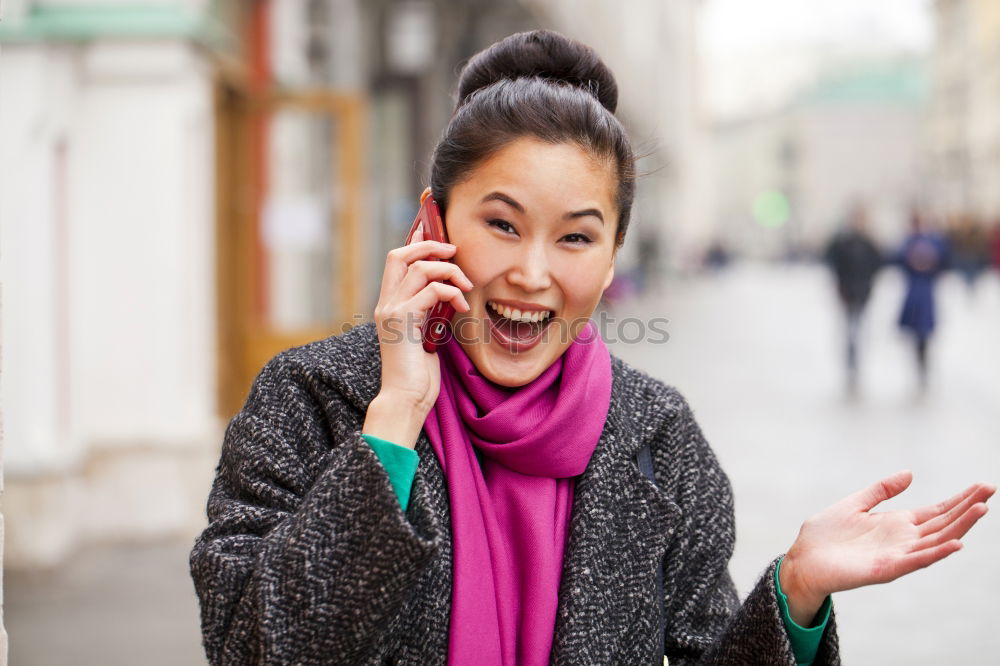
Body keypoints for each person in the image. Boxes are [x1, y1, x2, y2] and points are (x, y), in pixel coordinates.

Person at [189, 31, 994, 665]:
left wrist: (795, 592)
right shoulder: (312, 397)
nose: (533, 274)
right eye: (501, 224)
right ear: (432, 228)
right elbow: (263, 651)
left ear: (611, 261)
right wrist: (394, 417)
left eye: (576, 237)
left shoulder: (655, 433)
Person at [823, 204, 883, 393]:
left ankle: (856, 360)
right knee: (850, 329)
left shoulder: (868, 242)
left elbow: (877, 264)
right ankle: (851, 362)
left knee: (859, 328)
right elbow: (832, 261)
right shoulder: (844, 242)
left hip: (863, 292)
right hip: (848, 292)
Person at [895, 210, 950, 390]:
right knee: (918, 333)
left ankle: (923, 364)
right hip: (916, 291)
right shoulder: (911, 242)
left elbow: (943, 262)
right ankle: (921, 364)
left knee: (923, 333)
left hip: (923, 292)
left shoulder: (929, 242)